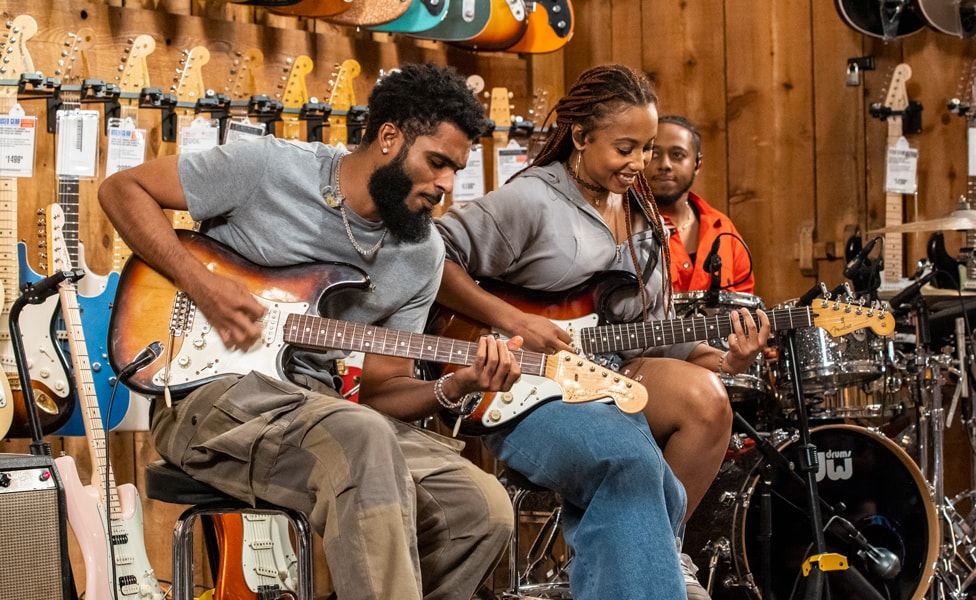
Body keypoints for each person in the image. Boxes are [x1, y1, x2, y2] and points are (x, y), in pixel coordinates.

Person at [99, 63, 520, 600]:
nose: (445, 186)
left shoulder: (421, 254)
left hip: (325, 412)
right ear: (389, 138)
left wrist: (454, 386)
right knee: (359, 436)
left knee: (479, 506)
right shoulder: (269, 168)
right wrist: (199, 285)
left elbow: (381, 390)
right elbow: (122, 189)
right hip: (207, 395)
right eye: (436, 163)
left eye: (455, 171)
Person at [434, 65, 770, 599]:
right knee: (628, 458)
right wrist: (511, 319)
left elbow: (655, 334)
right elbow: (433, 257)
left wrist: (726, 361)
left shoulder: (646, 220)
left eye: (647, 148)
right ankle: (651, 569)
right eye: (625, 148)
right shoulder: (530, 201)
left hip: (610, 369)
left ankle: (647, 556)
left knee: (708, 403)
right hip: (525, 383)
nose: (640, 164)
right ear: (582, 136)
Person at [647, 115, 755, 293]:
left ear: (697, 164)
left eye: (677, 155)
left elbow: (745, 305)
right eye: (654, 154)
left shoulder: (724, 230)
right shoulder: (621, 225)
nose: (665, 165)